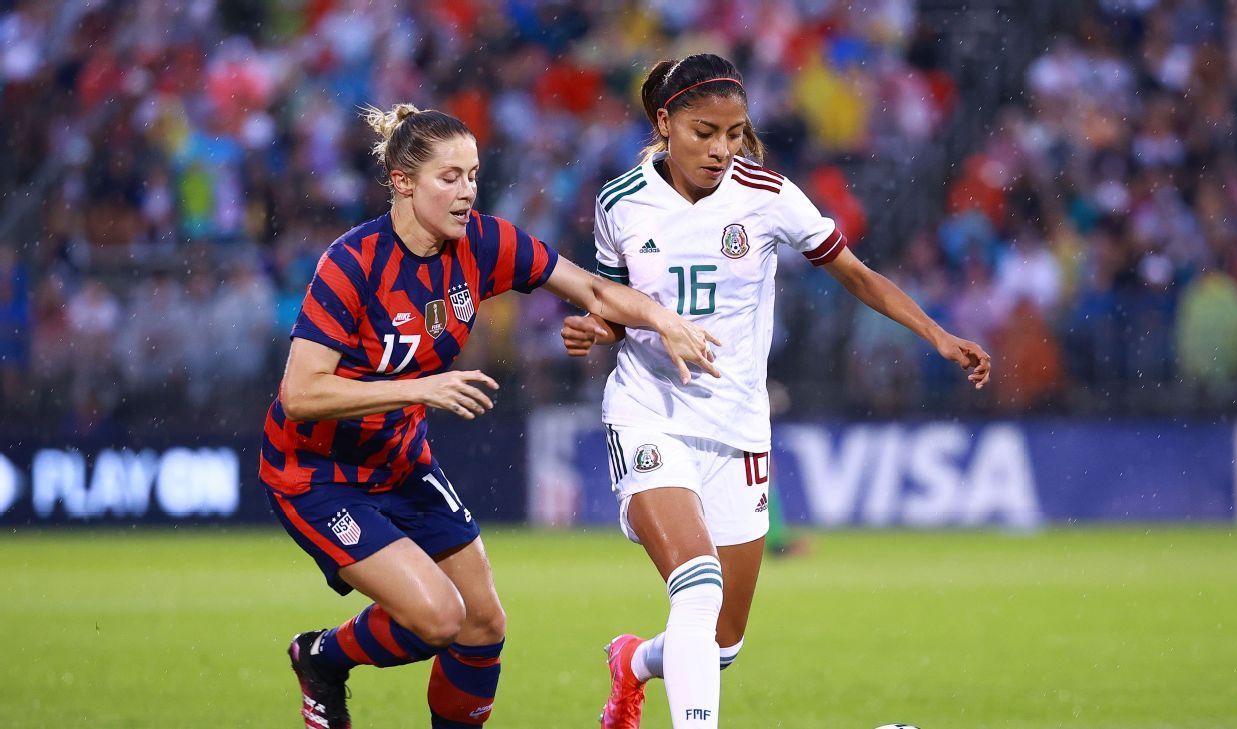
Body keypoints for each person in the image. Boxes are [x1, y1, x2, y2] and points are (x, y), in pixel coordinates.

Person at [560, 54, 992, 729]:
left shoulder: (766, 193)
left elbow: (853, 272)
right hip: (650, 414)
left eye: (734, 134)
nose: (721, 149)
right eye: (705, 132)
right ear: (665, 122)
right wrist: (594, 328)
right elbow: (613, 304)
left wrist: (936, 333)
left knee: (722, 643)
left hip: (737, 429)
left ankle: (636, 662)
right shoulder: (619, 200)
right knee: (697, 586)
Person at [261, 103, 720, 729]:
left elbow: (589, 288)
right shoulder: (352, 263)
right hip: (316, 472)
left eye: (473, 175)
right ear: (402, 180)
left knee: (482, 625)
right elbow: (301, 394)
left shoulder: (482, 242)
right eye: (449, 177)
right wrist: (418, 389)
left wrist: (662, 318)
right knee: (439, 620)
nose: (466, 191)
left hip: (398, 462)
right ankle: (320, 657)